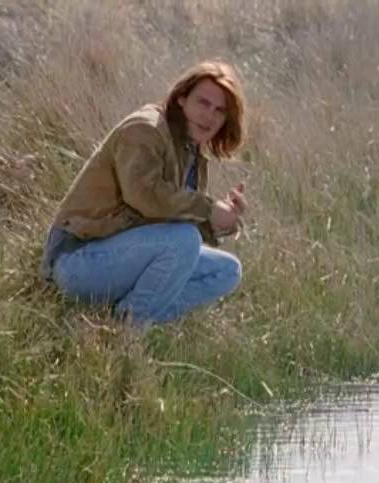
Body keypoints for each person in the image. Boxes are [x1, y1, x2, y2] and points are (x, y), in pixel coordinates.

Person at [39, 60, 248, 326]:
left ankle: (127, 316)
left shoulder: (190, 149)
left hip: (119, 257)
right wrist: (208, 209)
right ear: (182, 99)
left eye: (219, 111)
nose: (209, 116)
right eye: (203, 103)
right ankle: (128, 329)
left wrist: (219, 223)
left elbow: (168, 223)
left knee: (227, 271)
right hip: (76, 261)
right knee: (185, 240)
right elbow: (144, 197)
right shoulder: (145, 129)